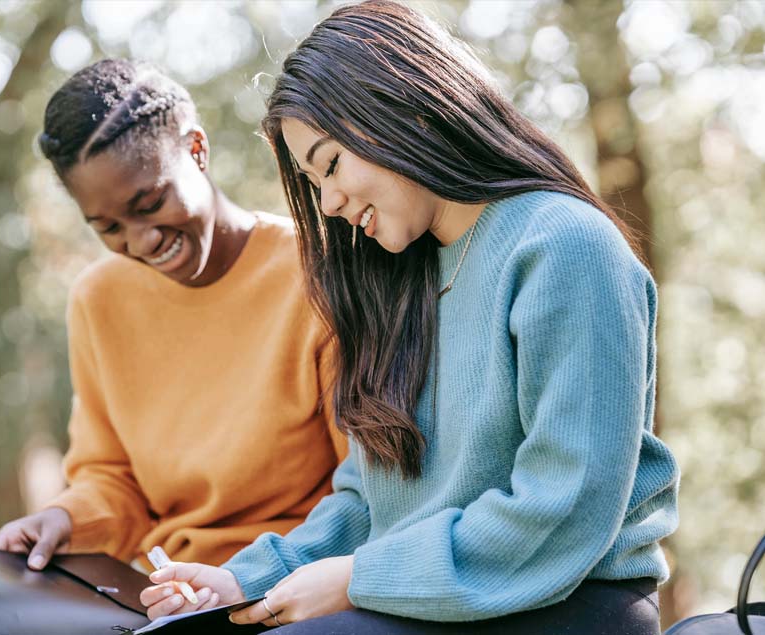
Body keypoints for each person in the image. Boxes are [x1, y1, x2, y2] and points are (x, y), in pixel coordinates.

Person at [139, 2, 680, 634]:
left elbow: (563, 507)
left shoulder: (563, 247)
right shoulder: (403, 279)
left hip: (564, 602)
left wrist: (357, 580)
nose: (330, 204)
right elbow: (373, 497)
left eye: (331, 164)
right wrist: (242, 579)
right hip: (429, 599)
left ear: (408, 111)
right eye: (314, 183)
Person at [0, 59, 346, 588]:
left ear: (197, 150)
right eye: (108, 227)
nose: (140, 242)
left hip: (298, 585)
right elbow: (113, 478)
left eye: (150, 203)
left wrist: (244, 582)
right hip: (170, 594)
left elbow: (365, 493)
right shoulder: (98, 300)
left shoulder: (317, 276)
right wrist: (64, 519)